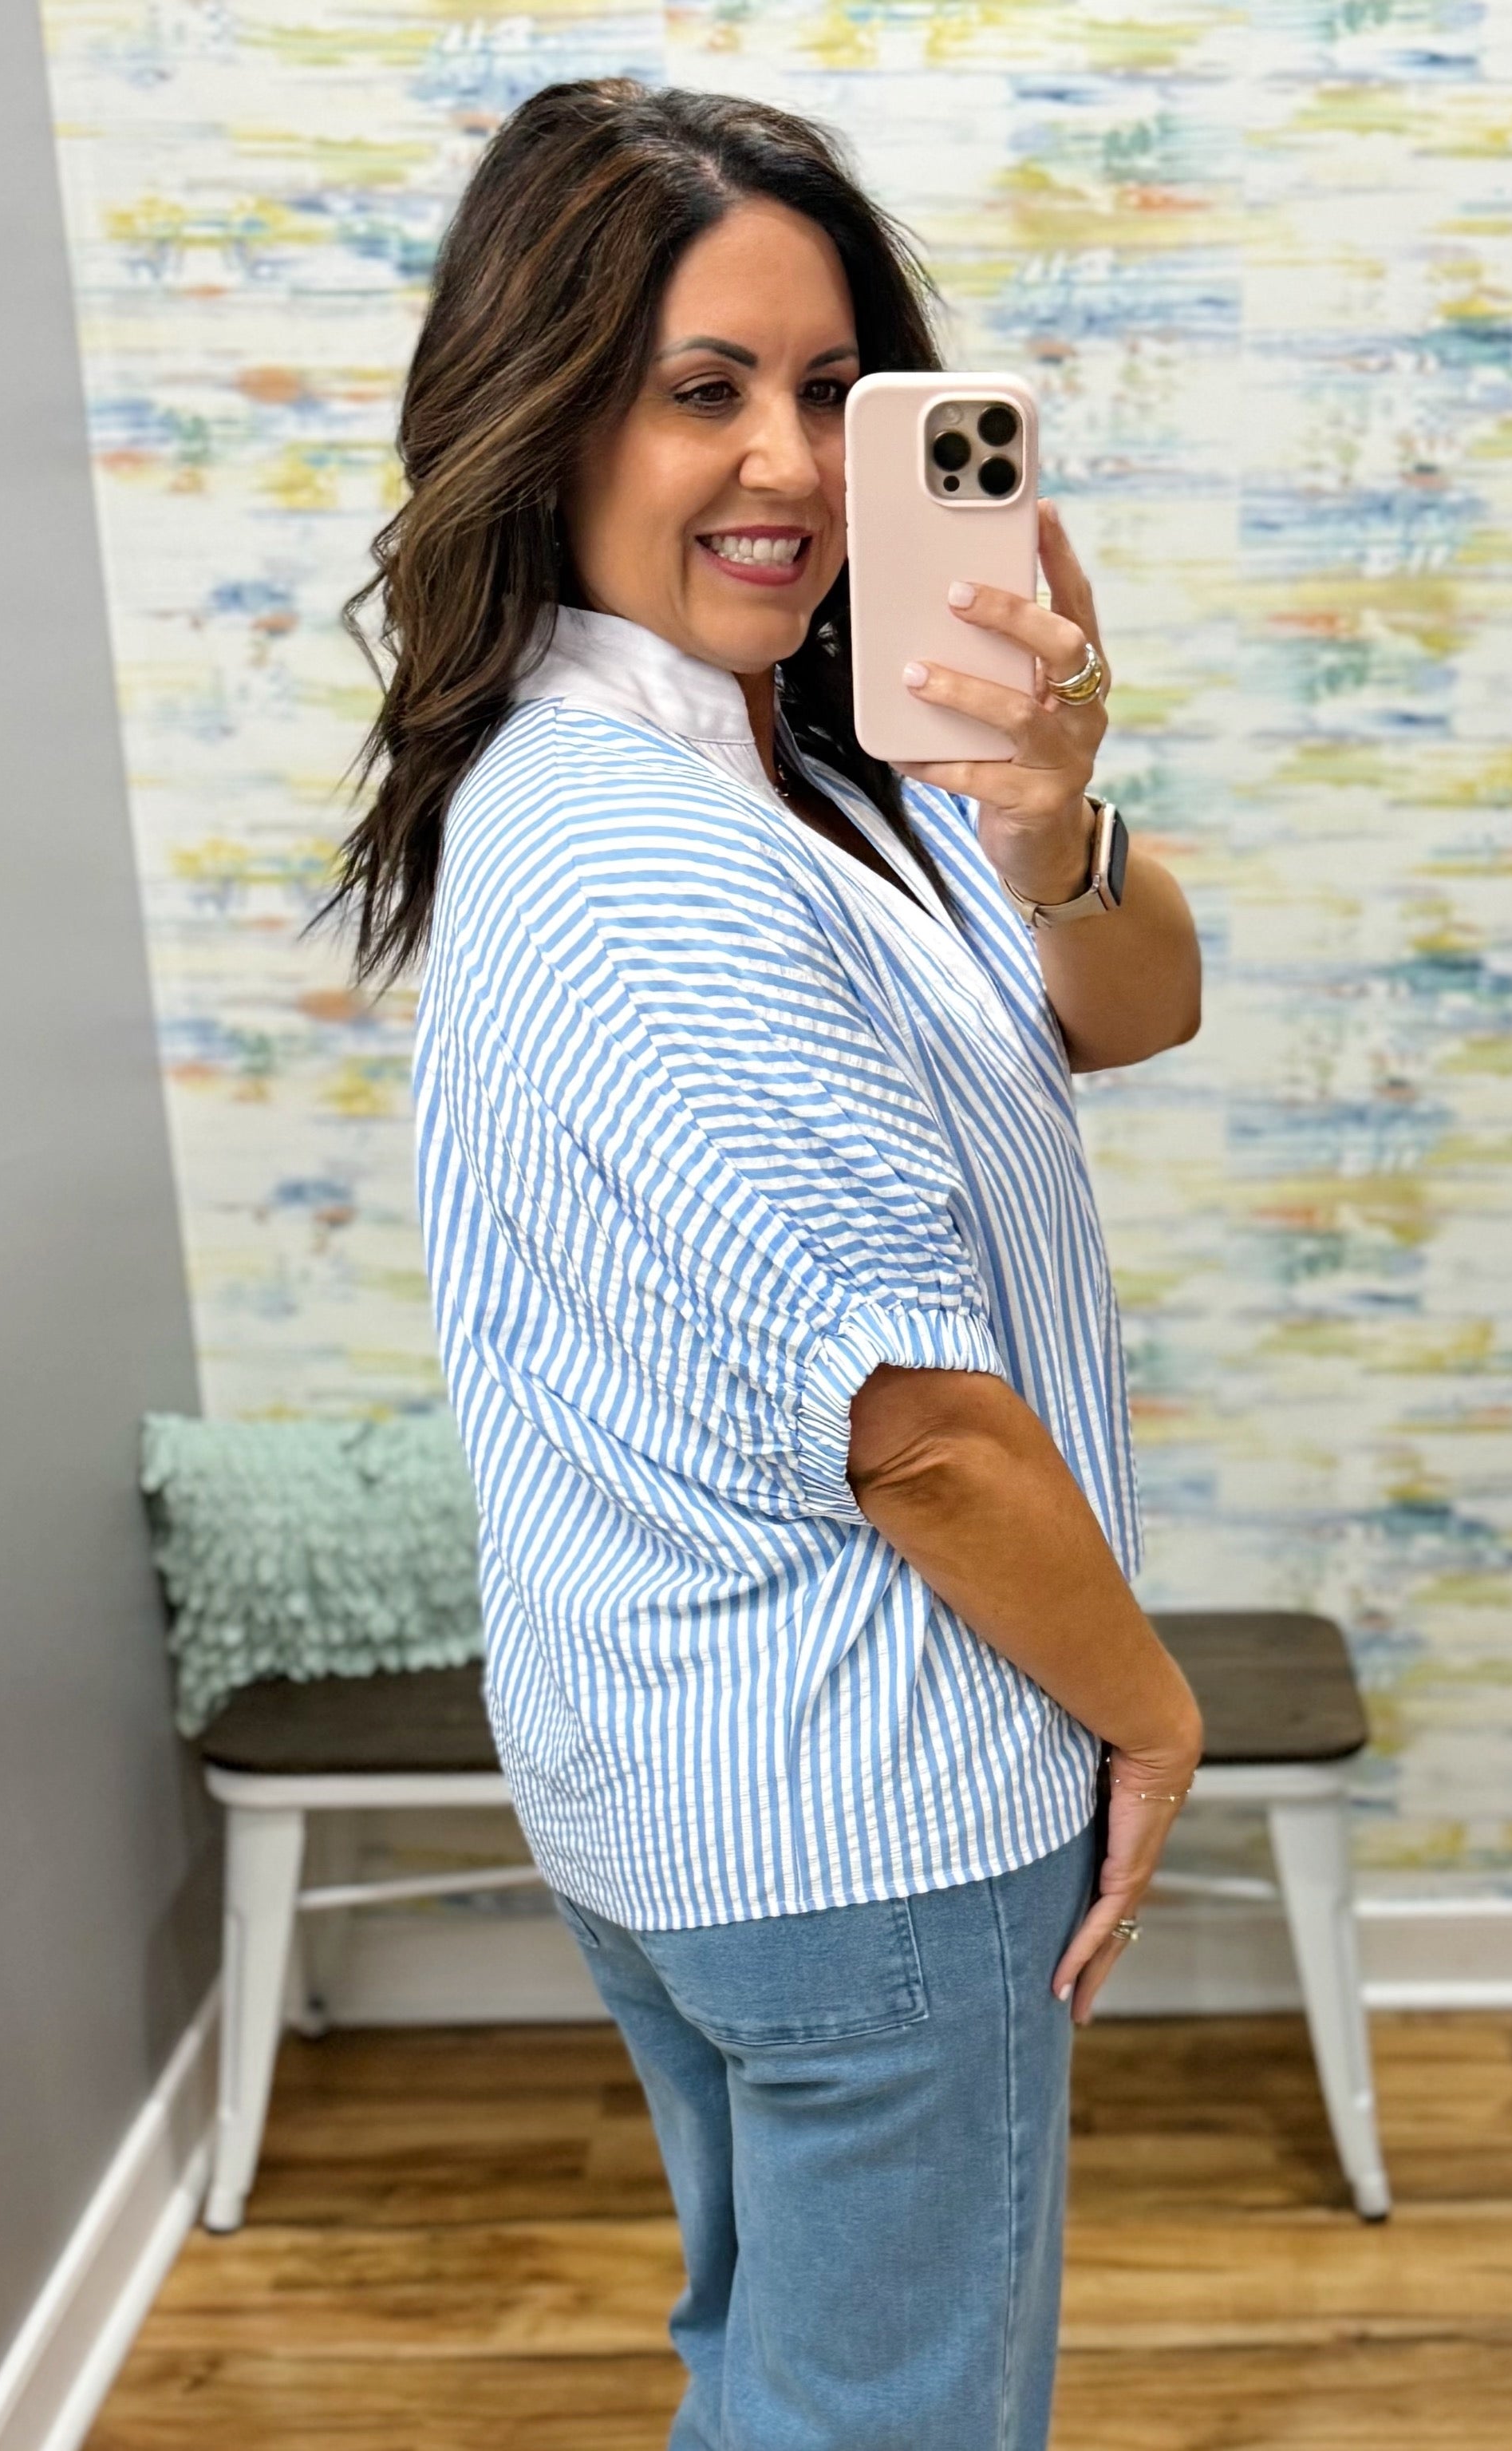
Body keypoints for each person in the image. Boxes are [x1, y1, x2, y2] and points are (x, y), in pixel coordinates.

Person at [327, 77, 1206, 2451]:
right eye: (699, 389)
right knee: (887, 2418)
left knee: (782, 2371)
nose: (794, 468)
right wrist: (1146, 1707)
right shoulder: (643, 850)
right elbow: (916, 1436)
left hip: (713, 1785)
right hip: (868, 1807)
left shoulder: (793, 766)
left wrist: (1050, 799)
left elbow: (1134, 1005)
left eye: (832, 392)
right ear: (543, 412)